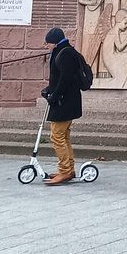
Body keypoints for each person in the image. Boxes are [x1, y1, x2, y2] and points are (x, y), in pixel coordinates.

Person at [41, 27, 85, 185]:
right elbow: (59, 78)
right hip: (65, 101)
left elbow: (65, 79)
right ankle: (68, 168)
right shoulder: (64, 51)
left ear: (54, 42)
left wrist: (54, 95)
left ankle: (65, 171)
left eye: (47, 43)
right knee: (63, 136)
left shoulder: (64, 53)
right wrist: (49, 91)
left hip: (64, 102)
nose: (46, 46)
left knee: (57, 136)